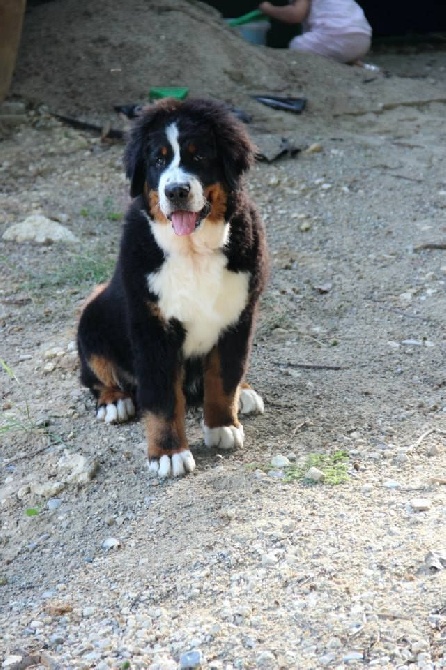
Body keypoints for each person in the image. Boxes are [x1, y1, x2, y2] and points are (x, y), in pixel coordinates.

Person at [258, 0, 372, 64]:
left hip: (337, 36)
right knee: (317, 39)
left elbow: (296, 15)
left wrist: (267, 8)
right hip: (363, 39)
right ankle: (350, 60)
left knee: (297, 45)